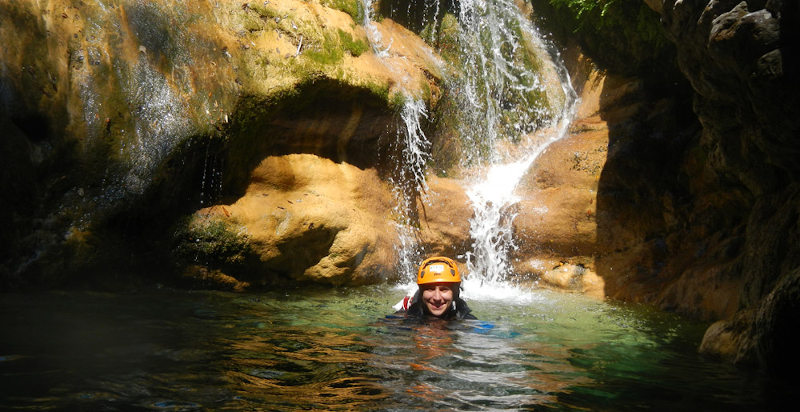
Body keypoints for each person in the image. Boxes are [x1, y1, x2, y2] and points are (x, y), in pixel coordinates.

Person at [395, 256, 476, 320]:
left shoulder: (467, 321)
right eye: (430, 289)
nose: (437, 298)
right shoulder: (403, 319)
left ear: (454, 293)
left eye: (444, 289)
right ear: (421, 292)